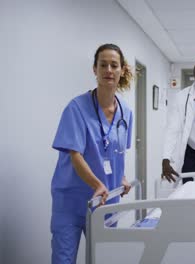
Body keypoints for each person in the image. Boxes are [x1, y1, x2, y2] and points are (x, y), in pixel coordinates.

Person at [50, 43, 134, 264]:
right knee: (64, 259)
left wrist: (122, 178)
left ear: (122, 70)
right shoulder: (76, 108)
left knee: (103, 258)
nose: (108, 70)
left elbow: (118, 153)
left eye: (113, 65)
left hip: (107, 202)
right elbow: (75, 154)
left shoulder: (126, 112)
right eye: (103, 64)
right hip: (72, 201)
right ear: (94, 69)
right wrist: (97, 184)